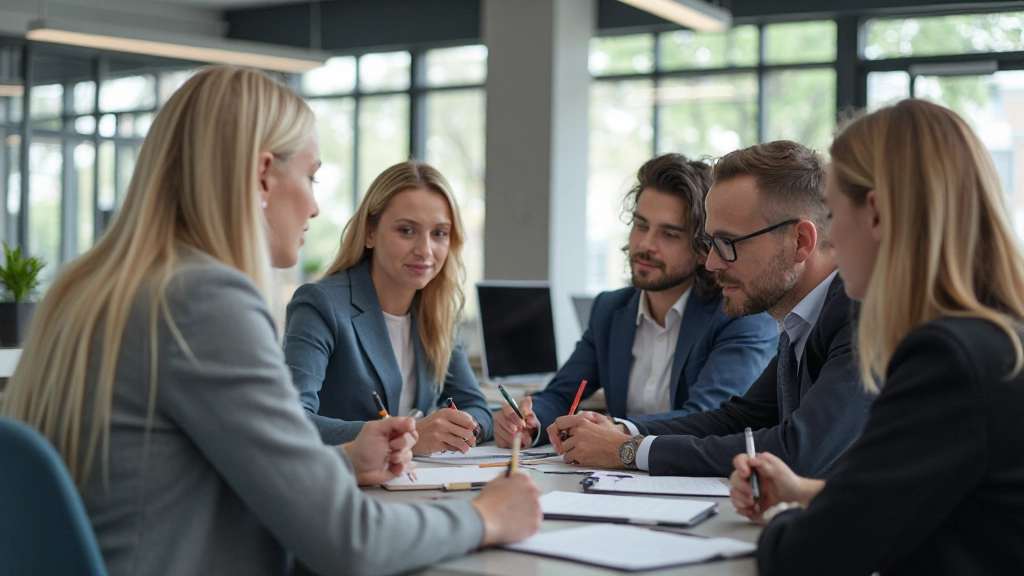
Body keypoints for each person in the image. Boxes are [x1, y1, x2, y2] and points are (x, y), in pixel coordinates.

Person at [0, 65, 541, 576]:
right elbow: (346, 540)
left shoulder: (87, 286)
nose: (314, 208)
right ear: (263, 176)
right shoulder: (205, 299)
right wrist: (485, 516)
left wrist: (347, 460)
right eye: (310, 177)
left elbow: (193, 473)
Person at [729, 99, 1024, 575]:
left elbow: (810, 555)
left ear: (878, 214)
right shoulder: (998, 340)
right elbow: (954, 503)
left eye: (831, 210)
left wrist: (786, 517)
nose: (830, 236)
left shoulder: (947, 360)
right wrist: (807, 494)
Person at [548, 141, 874, 478]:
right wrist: (624, 432)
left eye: (728, 244)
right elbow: (737, 418)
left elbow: (799, 451)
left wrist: (628, 452)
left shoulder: (863, 314)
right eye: (709, 243)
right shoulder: (803, 317)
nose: (712, 262)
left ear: (801, 241)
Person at [494, 154, 776, 448]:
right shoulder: (610, 310)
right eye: (641, 226)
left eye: (668, 234)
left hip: (693, 479)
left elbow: (711, 417)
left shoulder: (738, 315)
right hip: (616, 480)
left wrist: (619, 431)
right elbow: (560, 394)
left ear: (703, 247)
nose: (645, 245)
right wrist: (529, 420)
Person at [284, 161, 492, 453]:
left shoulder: (438, 311)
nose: (425, 250)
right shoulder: (320, 304)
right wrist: (402, 437)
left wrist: (463, 429)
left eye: (439, 233)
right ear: (370, 232)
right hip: (346, 484)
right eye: (407, 230)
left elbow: (476, 407)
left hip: (419, 482)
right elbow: (291, 420)